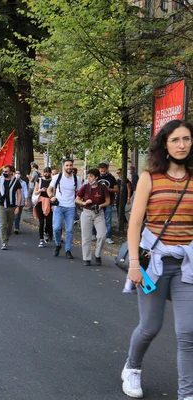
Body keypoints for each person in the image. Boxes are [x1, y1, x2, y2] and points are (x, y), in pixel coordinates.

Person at [122, 120, 193, 399]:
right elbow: (135, 224)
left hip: (186, 265)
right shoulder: (150, 177)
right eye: (175, 140)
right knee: (150, 327)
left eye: (187, 139)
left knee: (188, 332)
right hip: (153, 264)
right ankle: (132, 367)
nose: (181, 145)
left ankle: (186, 394)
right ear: (165, 143)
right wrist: (134, 265)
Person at [47, 158, 81, 259]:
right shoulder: (57, 177)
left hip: (70, 207)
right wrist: (51, 197)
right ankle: (58, 244)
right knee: (56, 228)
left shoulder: (76, 178)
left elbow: (80, 192)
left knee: (69, 230)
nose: (69, 167)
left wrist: (81, 201)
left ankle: (68, 250)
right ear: (63, 166)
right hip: (59, 206)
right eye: (67, 165)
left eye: (70, 165)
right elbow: (49, 189)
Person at [75, 168, 110, 266]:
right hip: (86, 212)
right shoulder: (85, 187)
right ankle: (86, 258)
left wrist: (101, 205)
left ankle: (98, 254)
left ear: (96, 177)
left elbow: (108, 201)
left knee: (102, 235)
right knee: (86, 237)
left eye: (91, 176)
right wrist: (84, 202)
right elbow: (77, 199)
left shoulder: (102, 188)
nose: (89, 178)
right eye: (88, 176)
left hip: (99, 213)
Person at [0, 165, 21, 250]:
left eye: (6, 171)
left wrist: (18, 206)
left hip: (11, 206)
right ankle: (4, 242)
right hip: (1, 205)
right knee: (3, 224)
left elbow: (19, 194)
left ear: (11, 172)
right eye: (3, 171)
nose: (4, 173)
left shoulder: (16, 181)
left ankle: (6, 238)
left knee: (9, 225)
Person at [33, 167, 53, 248]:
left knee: (48, 221)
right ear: (43, 173)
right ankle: (41, 240)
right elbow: (35, 191)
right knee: (41, 221)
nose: (47, 174)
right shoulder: (39, 180)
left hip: (49, 202)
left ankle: (46, 233)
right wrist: (41, 190)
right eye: (45, 172)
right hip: (40, 201)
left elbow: (53, 192)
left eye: (48, 172)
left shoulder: (53, 181)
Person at [13, 169, 28, 234]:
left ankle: (16, 228)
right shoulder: (12, 181)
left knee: (17, 215)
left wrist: (26, 200)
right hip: (12, 201)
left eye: (18, 173)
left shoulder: (23, 183)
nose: (17, 174)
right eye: (16, 173)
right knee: (12, 216)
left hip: (20, 201)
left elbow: (25, 191)